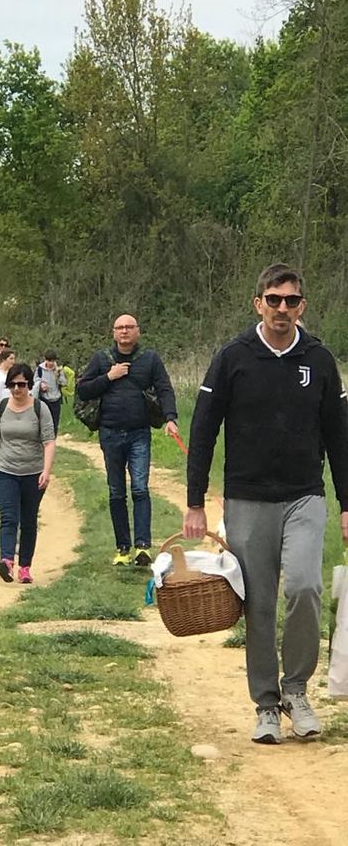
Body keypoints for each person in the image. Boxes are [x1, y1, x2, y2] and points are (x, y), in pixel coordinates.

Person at [183, 263, 348, 745]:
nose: (281, 309)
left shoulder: (319, 360)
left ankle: (296, 689)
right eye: (272, 299)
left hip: (304, 496)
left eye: (290, 301)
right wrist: (195, 501)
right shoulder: (233, 356)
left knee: (303, 588)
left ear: (302, 307)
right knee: (257, 603)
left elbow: (339, 437)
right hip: (247, 498)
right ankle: (266, 705)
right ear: (258, 303)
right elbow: (204, 429)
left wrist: (345, 503)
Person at [78, 314, 178, 567]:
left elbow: (165, 388)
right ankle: (122, 548)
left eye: (129, 327)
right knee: (116, 492)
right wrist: (108, 377)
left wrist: (170, 418)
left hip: (139, 433)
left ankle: (142, 547)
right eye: (120, 328)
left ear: (138, 332)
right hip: (110, 433)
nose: (124, 332)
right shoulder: (102, 359)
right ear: (113, 333)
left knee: (141, 488)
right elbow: (83, 389)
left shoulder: (150, 359)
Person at [0, 363, 56, 585]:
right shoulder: (1, 408)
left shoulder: (39, 409)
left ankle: (25, 567)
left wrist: (46, 471)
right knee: (8, 518)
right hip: (5, 471)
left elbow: (49, 442)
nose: (17, 389)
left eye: (22, 384)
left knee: (28, 520)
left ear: (29, 385)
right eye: (13, 384)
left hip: (33, 473)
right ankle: (7, 561)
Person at [33, 349, 68, 436]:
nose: (51, 363)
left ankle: (52, 441)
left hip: (56, 399)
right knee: (43, 422)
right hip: (44, 399)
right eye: (49, 361)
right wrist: (41, 385)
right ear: (45, 359)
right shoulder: (40, 369)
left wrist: (58, 375)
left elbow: (64, 383)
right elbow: (35, 380)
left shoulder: (58, 370)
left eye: (53, 361)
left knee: (54, 423)